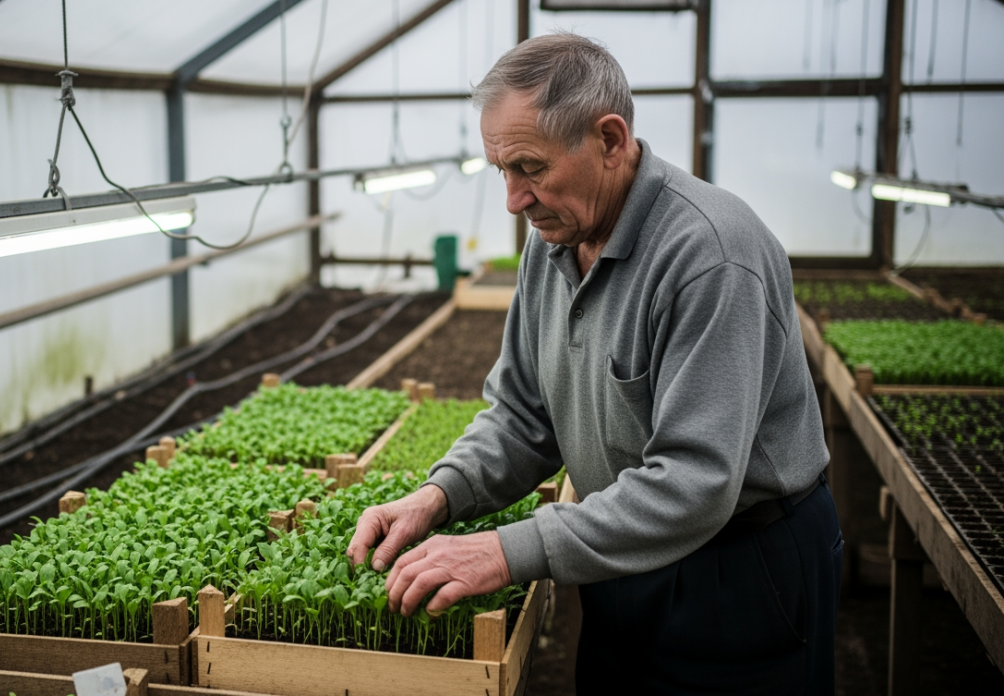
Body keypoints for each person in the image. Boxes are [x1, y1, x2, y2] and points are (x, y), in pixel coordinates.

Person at [346, 33, 842, 694]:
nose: (513, 200)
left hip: (741, 571)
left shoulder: (710, 254)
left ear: (609, 139)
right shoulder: (553, 242)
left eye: (530, 167)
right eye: (502, 170)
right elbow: (523, 416)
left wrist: (506, 550)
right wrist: (440, 494)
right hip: (618, 550)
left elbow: (695, 482)